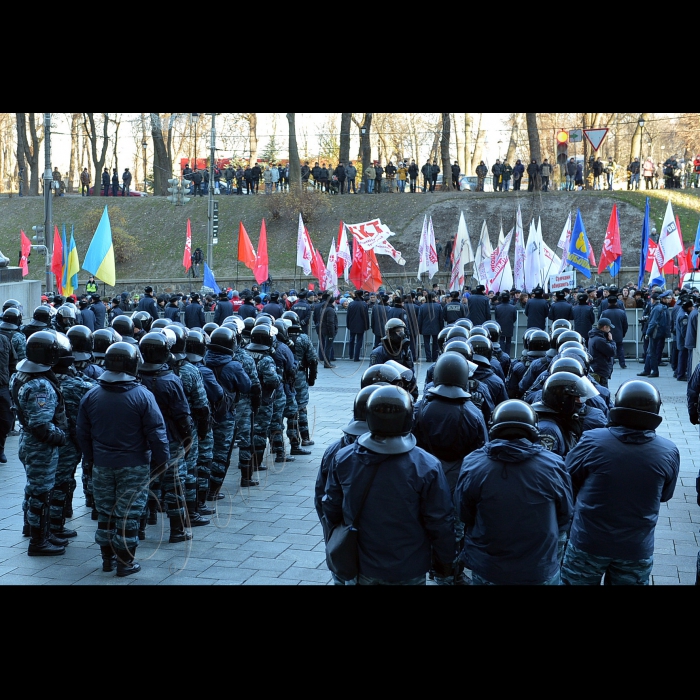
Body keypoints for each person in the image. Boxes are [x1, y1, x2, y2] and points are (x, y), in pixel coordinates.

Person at [322, 386, 456, 585]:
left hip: (360, 564)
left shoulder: (344, 458)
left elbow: (331, 508)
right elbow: (440, 521)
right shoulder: (427, 465)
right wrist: (445, 561)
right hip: (409, 566)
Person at [562, 380, 679, 585]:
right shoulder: (668, 451)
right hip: (635, 547)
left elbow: (568, 480)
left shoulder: (592, 440)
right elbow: (664, 495)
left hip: (588, 541)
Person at [455, 400, 573, 585]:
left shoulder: (473, 463)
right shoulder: (553, 464)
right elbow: (565, 514)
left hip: (489, 567)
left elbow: (464, 513)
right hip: (538, 567)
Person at [77, 342, 169, 576]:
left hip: (102, 464)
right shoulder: (142, 395)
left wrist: (91, 459)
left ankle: (107, 559)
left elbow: (82, 433)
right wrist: (163, 460)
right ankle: (125, 562)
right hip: (134, 464)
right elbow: (157, 433)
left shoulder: (91, 395)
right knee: (128, 512)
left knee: (105, 511)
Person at [10, 332, 69, 556]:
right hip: (40, 446)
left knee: (34, 489)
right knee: (41, 492)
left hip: (29, 442)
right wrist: (62, 436)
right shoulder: (40, 385)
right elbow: (41, 426)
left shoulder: (20, 374)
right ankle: (38, 541)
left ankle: (37, 530)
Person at [587, 317, 617, 387]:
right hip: (600, 370)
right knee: (603, 392)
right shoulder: (599, 340)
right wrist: (611, 341)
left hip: (597, 368)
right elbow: (612, 352)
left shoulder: (593, 336)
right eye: (609, 327)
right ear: (604, 327)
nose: (610, 329)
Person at [347, 290, 370, 362]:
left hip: (352, 324)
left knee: (351, 340)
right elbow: (366, 316)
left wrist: (348, 324)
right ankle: (356, 357)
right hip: (361, 325)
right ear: (361, 295)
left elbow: (348, 316)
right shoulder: (364, 304)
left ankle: (351, 355)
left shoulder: (351, 304)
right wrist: (367, 326)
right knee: (359, 341)